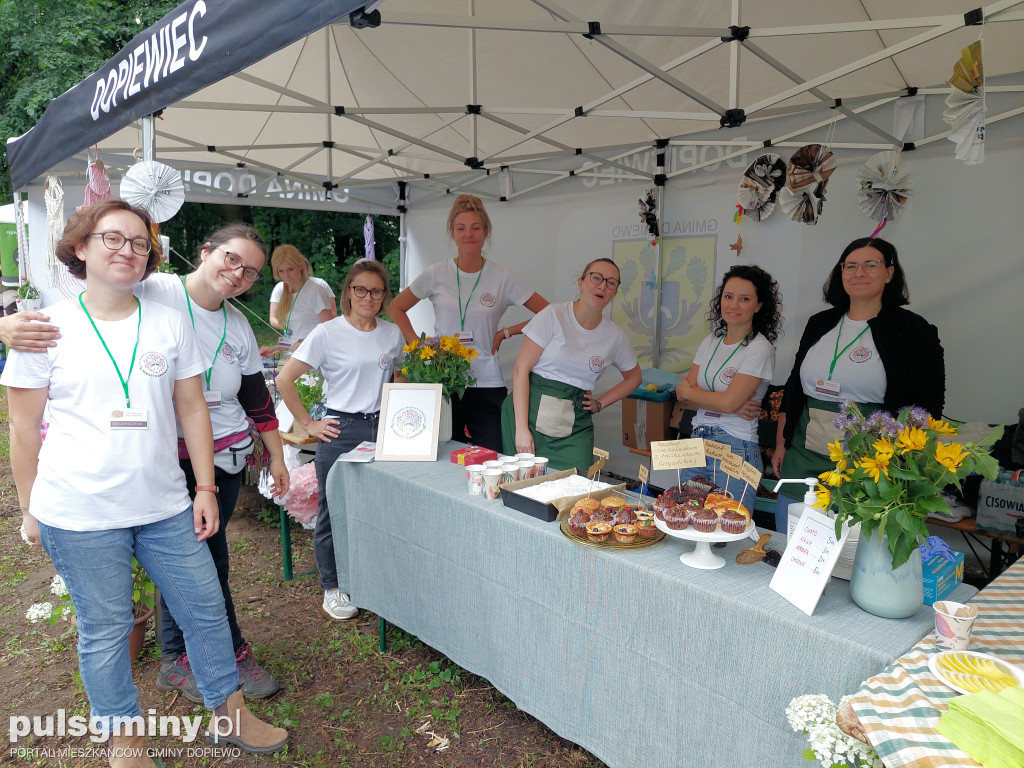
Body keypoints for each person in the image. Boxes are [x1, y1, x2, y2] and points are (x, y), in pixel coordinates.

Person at [1, 200, 287, 763]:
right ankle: (125, 742)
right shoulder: (45, 327)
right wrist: (28, 506)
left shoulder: (166, 318)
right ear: (80, 247)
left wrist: (205, 488)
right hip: (79, 512)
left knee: (205, 608)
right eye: (112, 238)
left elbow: (193, 408)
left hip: (164, 504)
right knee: (106, 632)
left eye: (138, 243)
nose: (127, 251)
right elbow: (22, 425)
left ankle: (230, 716)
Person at [771, 236, 944, 532]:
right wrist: (780, 444)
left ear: (890, 273)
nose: (858, 272)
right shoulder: (820, 323)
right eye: (850, 266)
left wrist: (909, 462)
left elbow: (928, 406)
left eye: (870, 265)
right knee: (794, 543)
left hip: (872, 461)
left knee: (852, 550)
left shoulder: (913, 330)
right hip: (804, 454)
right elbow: (794, 390)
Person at [275, 259, 403, 621]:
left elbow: (400, 380)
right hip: (340, 430)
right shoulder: (328, 332)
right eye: (359, 288)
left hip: (381, 429)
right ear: (348, 291)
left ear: (383, 296)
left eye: (375, 291)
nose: (367, 296)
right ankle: (332, 587)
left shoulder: (392, 334)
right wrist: (308, 424)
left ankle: (372, 578)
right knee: (334, 510)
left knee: (379, 507)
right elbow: (286, 379)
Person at [390, 194, 548, 452]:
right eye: (461, 228)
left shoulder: (501, 277)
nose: (468, 234)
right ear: (452, 232)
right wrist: (418, 348)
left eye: (476, 228)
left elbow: (548, 313)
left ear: (486, 231)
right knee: (444, 457)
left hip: (487, 383)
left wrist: (506, 332)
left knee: (493, 455)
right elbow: (396, 306)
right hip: (445, 382)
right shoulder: (436, 273)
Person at [502, 258, 642, 471]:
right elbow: (521, 369)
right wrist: (521, 429)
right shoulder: (553, 315)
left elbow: (634, 378)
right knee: (525, 488)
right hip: (527, 414)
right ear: (581, 283)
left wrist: (600, 403)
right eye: (596, 278)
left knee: (575, 489)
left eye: (611, 282)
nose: (602, 285)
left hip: (575, 426)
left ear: (614, 292)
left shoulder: (615, 336)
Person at [674, 265, 782, 510]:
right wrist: (729, 405)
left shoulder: (759, 348)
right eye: (728, 297)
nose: (734, 305)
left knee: (728, 526)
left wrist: (708, 398)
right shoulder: (710, 341)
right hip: (697, 437)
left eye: (745, 299)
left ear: (758, 305)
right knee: (688, 518)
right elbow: (682, 394)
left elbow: (701, 395)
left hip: (736, 446)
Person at [268, 244, 336, 347]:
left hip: (316, 357)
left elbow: (330, 330)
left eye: (290, 269)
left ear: (301, 266)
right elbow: (293, 337)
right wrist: (275, 349)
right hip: (295, 356)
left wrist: (304, 343)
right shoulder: (284, 291)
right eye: (281, 271)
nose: (286, 275)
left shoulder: (315, 290)